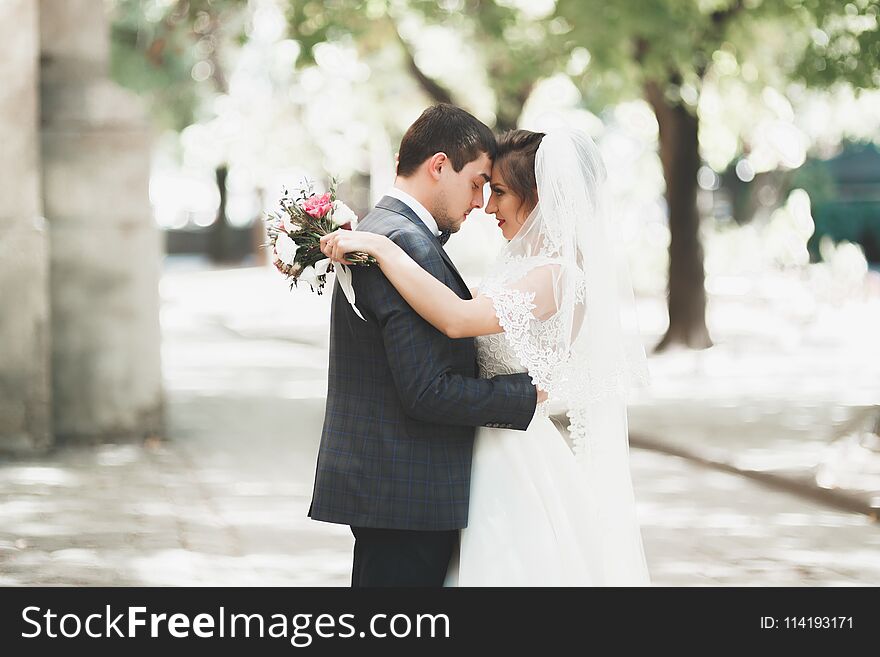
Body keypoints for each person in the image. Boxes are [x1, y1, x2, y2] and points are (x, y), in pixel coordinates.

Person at [320, 126, 652, 585]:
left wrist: (380, 246)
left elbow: (456, 318)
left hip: (512, 453)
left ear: (538, 197)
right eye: (484, 188)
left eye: (498, 192)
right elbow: (445, 304)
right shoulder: (522, 267)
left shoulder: (556, 276)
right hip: (477, 449)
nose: (488, 206)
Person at [308, 104, 544, 587]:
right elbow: (427, 390)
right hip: (407, 493)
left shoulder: (382, 232)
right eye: (479, 182)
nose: (481, 202)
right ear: (439, 165)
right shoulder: (404, 244)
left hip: (394, 488)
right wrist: (528, 393)